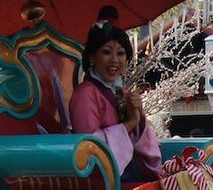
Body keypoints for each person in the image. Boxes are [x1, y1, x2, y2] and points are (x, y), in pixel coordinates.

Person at [68, 22, 160, 181]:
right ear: (91, 57)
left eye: (120, 53)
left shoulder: (119, 92)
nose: (115, 60)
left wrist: (137, 114)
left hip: (128, 173)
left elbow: (139, 140)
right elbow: (90, 148)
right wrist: (130, 123)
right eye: (106, 52)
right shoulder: (85, 94)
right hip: (104, 182)